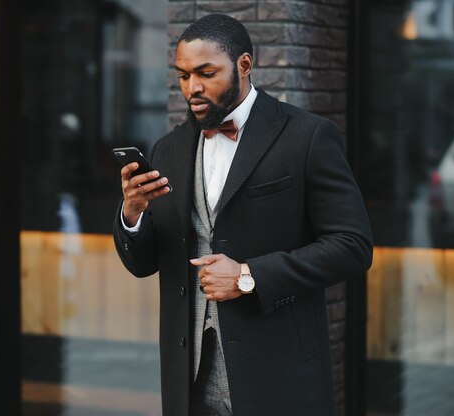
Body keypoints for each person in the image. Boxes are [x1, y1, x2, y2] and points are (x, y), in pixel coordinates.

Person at [113, 14, 373, 416]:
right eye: (183, 75)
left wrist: (249, 276)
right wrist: (132, 213)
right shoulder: (168, 149)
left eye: (206, 72)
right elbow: (146, 263)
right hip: (190, 382)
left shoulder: (307, 136)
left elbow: (352, 246)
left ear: (245, 65)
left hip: (279, 375)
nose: (192, 87)